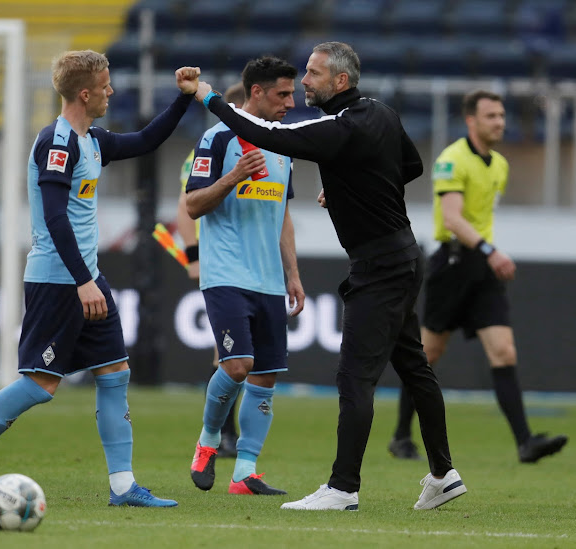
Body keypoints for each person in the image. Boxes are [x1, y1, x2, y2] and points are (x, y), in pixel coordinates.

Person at [193, 41, 465, 511]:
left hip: (379, 266)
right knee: (415, 367)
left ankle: (343, 488)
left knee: (354, 378)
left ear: (340, 81)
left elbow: (271, 136)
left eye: (314, 74)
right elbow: (411, 165)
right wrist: (351, 187)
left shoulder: (340, 124)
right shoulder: (380, 112)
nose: (304, 81)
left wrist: (210, 98)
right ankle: (443, 473)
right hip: (404, 255)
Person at [0, 50, 199, 507]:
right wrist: (82, 281)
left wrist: (183, 100)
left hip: (86, 277)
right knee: (41, 383)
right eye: (106, 84)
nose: (111, 91)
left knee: (115, 372)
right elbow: (55, 219)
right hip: (58, 281)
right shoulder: (58, 143)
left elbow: (145, 141)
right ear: (85, 92)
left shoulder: (91, 139)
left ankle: (123, 487)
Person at [387, 90, 568, 463]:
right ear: (471, 121)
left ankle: (525, 443)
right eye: (491, 116)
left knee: (504, 351)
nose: (500, 122)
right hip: (452, 264)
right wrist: (490, 250)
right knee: (429, 354)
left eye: (502, 115)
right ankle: (402, 435)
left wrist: (485, 254)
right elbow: (452, 218)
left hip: (482, 268)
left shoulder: (498, 163)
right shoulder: (452, 160)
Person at [187, 57, 304, 496]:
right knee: (237, 365)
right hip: (226, 272)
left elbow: (283, 214)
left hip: (269, 278)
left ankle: (245, 473)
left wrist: (292, 272)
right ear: (255, 92)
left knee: (267, 375)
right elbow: (193, 205)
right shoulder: (217, 139)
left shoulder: (284, 145)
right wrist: (233, 176)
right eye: (282, 94)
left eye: (292, 94)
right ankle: (207, 441)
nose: (290, 103)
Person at [176, 81, 246, 459]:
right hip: (218, 261)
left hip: (245, 261)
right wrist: (194, 258)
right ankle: (221, 435)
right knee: (226, 354)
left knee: (231, 355)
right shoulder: (209, 147)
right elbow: (183, 209)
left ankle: (226, 435)